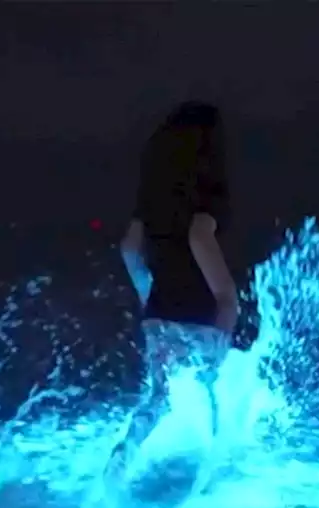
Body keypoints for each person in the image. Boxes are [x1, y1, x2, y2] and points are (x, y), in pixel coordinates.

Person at [105, 101, 239, 482]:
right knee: (212, 390)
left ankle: (120, 462)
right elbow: (199, 234)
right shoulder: (210, 192)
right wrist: (226, 297)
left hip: (159, 311)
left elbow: (129, 249)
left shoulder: (153, 195)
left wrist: (149, 295)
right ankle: (213, 475)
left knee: (158, 398)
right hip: (201, 309)